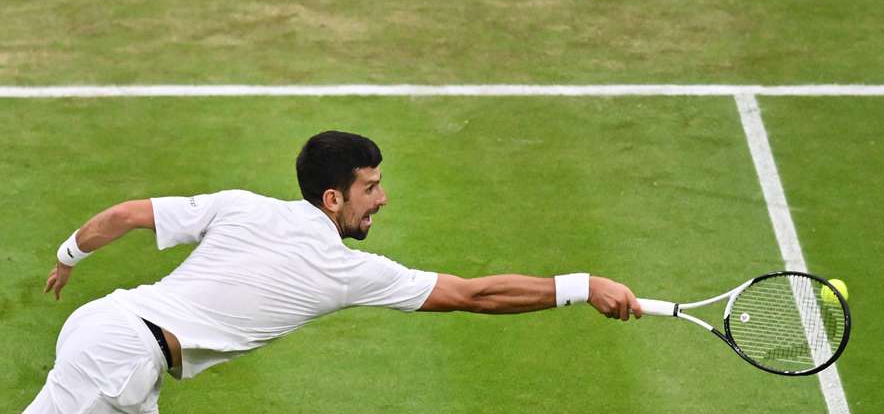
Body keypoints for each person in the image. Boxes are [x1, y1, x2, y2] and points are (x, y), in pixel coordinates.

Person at [26, 130, 642, 413]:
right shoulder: (346, 271)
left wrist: (68, 256)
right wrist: (582, 286)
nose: (382, 198)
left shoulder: (240, 205)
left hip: (108, 336)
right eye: (370, 187)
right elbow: (474, 295)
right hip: (122, 359)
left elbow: (127, 214)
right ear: (332, 198)